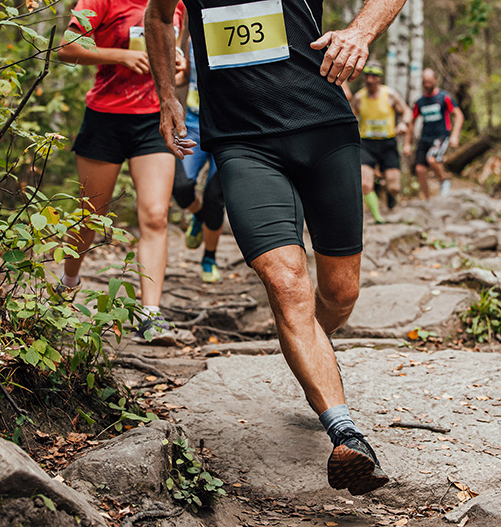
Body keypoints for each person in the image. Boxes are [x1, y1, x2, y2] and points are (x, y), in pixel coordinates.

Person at [144, 0, 405, 495]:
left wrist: (360, 31)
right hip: (243, 144)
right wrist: (167, 97)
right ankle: (345, 432)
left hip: (324, 129)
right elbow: (157, 16)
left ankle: (314, 349)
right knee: (288, 285)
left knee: (341, 294)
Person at [56, 0, 191, 343]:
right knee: (90, 216)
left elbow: (179, 71)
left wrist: (179, 64)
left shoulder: (175, 4)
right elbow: (66, 49)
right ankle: (67, 286)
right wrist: (121, 56)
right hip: (105, 118)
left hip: (154, 118)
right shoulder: (100, 1)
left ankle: (150, 316)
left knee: (156, 215)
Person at [179, 39, 226, 283]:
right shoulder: (191, 40)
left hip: (229, 130)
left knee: (214, 198)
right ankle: (198, 216)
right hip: (193, 126)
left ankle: (209, 258)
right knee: (181, 186)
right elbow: (184, 75)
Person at [350, 62, 411, 223]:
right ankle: (378, 216)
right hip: (367, 144)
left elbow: (406, 111)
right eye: (367, 76)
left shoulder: (390, 94)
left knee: (394, 187)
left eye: (373, 76)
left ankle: (390, 194)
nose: (370, 79)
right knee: (364, 183)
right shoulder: (359, 97)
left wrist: (403, 123)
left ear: (379, 78)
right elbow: (350, 117)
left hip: (387, 144)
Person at [403, 68, 464, 198]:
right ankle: (427, 200)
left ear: (435, 80)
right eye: (425, 82)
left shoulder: (444, 97)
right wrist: (407, 143)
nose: (427, 85)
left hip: (441, 136)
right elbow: (412, 122)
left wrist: (455, 135)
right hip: (425, 137)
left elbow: (458, 115)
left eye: (430, 82)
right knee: (420, 169)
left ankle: (444, 181)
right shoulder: (419, 102)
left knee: (432, 159)